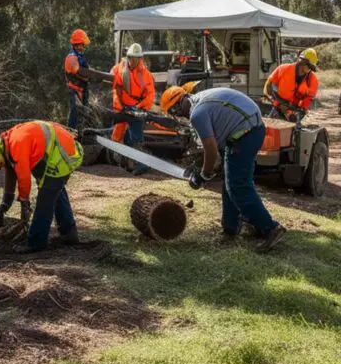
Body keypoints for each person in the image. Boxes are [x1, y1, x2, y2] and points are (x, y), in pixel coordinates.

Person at [161, 85, 286, 252]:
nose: (178, 116)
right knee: (230, 181)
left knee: (237, 186)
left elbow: (211, 151)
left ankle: (270, 228)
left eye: (174, 112)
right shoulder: (201, 98)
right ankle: (231, 227)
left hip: (245, 135)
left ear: (176, 107)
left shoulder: (197, 114)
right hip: (252, 128)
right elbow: (214, 144)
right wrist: (203, 166)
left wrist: (203, 176)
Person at [0, 121, 83, 253]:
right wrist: (4, 206)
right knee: (54, 190)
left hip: (63, 152)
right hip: (54, 150)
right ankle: (69, 233)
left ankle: (36, 244)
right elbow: (11, 172)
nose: (1, 167)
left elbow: (24, 179)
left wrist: (24, 204)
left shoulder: (16, 147)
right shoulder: (3, 143)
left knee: (45, 199)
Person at [110, 43, 155, 173]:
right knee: (118, 136)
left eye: (135, 58)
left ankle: (140, 165)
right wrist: (119, 106)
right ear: (127, 56)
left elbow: (150, 95)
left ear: (140, 58)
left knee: (136, 138)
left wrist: (139, 107)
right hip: (122, 108)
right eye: (130, 57)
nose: (132, 60)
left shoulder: (146, 74)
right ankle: (121, 162)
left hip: (137, 110)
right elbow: (116, 89)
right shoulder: (119, 69)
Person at [263, 48, 319, 121]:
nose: (310, 69)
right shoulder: (283, 69)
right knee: (270, 130)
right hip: (277, 107)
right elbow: (268, 86)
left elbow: (307, 102)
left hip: (295, 111)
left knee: (293, 129)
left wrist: (295, 113)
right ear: (301, 61)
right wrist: (276, 103)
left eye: (312, 67)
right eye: (309, 66)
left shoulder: (313, 80)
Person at [64, 29, 90, 129]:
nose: (83, 47)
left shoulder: (79, 56)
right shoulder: (72, 57)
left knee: (84, 114)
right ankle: (70, 133)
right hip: (74, 90)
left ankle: (82, 133)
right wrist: (88, 76)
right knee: (74, 111)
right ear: (77, 44)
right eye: (82, 44)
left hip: (82, 90)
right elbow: (79, 73)